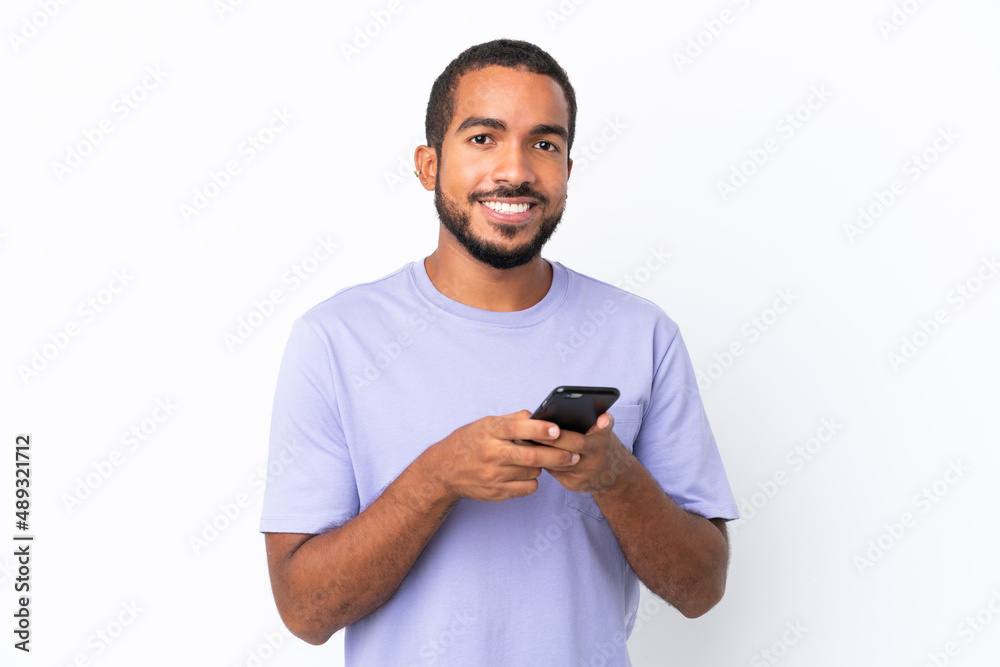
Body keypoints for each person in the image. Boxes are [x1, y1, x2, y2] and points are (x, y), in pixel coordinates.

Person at [260, 38, 739, 666]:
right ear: (429, 165)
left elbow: (702, 589)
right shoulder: (334, 338)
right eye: (483, 138)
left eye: (545, 144)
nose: (515, 171)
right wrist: (437, 478)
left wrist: (613, 475)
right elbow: (305, 612)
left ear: (568, 167)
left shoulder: (642, 334)